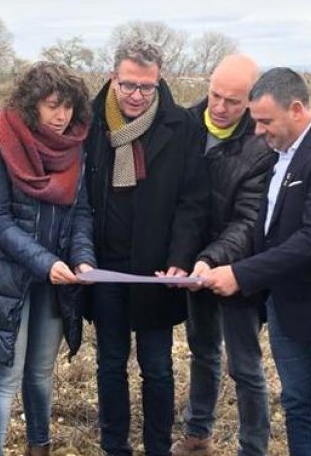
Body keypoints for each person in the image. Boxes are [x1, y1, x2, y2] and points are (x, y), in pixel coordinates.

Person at [201, 67, 311, 456]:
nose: (258, 131)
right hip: (287, 307)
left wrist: (241, 274)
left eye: (266, 121)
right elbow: (267, 227)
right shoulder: (282, 154)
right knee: (298, 406)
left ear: (296, 109)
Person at [0, 62, 97, 456]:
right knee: (5, 376)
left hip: (55, 279)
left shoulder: (73, 147)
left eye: (68, 107)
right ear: (31, 103)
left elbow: (80, 212)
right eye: (53, 106)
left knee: (39, 373)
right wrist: (44, 262)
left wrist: (82, 258)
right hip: (3, 278)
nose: (62, 116)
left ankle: (40, 446)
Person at [84, 38, 210, 456]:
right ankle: (114, 446)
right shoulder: (89, 123)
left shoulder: (182, 126)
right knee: (110, 363)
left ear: (159, 82)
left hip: (156, 271)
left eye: (146, 87)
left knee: (156, 367)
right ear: (112, 78)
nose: (137, 95)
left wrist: (180, 259)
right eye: (128, 85)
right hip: (105, 267)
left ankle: (158, 447)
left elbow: (193, 201)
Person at [177, 54, 277, 456]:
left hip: (237, 267)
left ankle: (253, 447)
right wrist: (183, 257)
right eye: (215, 95)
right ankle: (197, 433)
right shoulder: (186, 124)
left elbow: (249, 221)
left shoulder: (261, 144)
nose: (219, 107)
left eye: (233, 102)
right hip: (193, 265)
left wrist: (212, 259)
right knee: (202, 351)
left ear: (251, 100)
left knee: (245, 365)